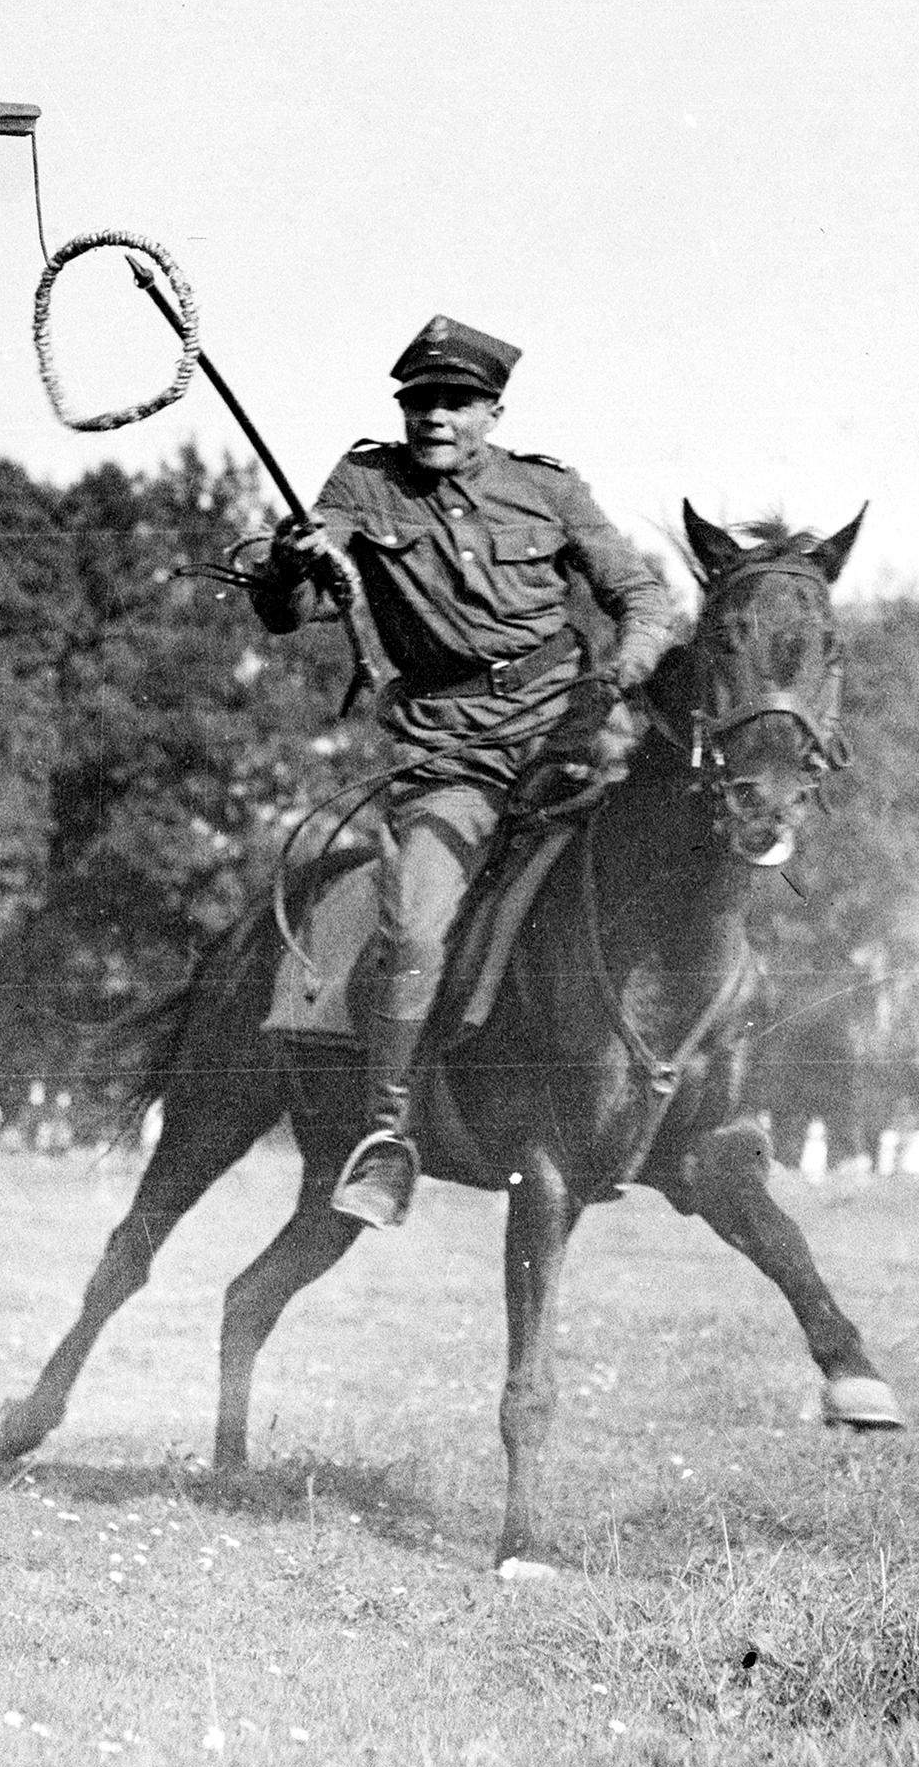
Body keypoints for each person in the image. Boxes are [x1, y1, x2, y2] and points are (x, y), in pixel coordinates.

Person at [249, 314, 668, 1229]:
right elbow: (295, 604)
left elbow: (639, 595)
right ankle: (388, 1133)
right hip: (453, 758)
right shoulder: (364, 483)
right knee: (419, 920)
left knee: (673, 853)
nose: (434, 415)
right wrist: (290, 565)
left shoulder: (548, 490)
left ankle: (691, 1098)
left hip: (572, 734)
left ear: (493, 410)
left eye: (455, 400)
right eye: (418, 401)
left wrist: (624, 669)